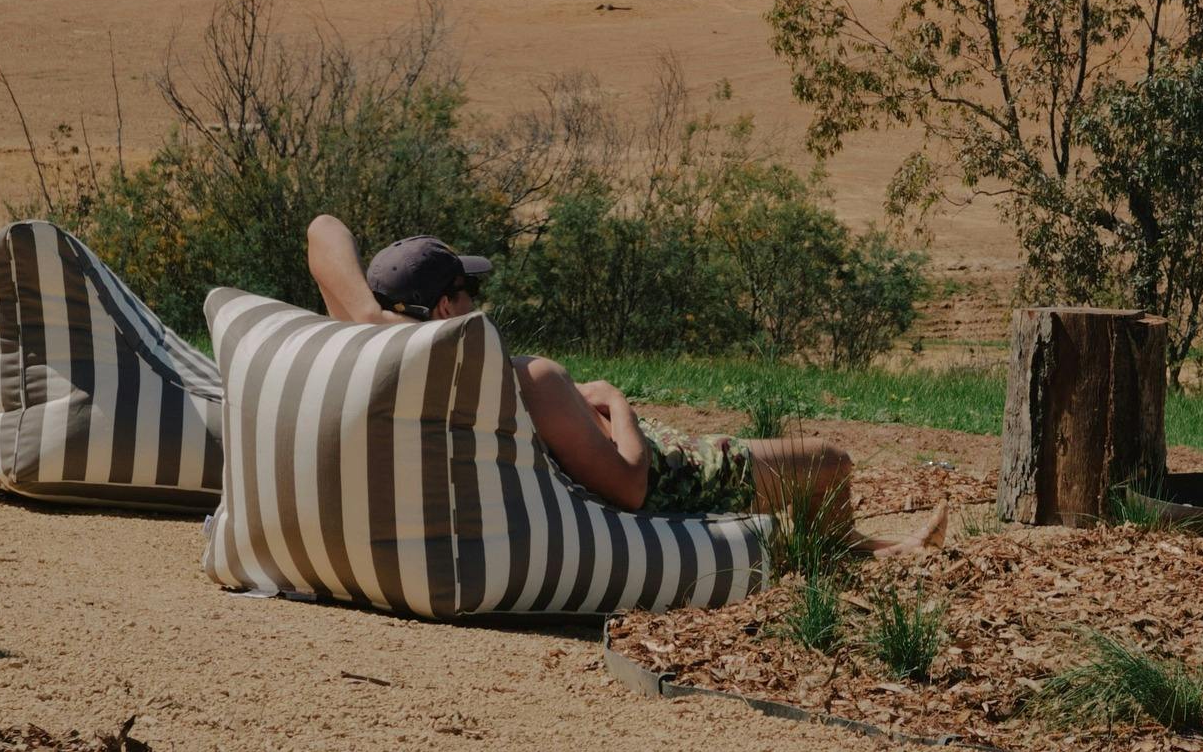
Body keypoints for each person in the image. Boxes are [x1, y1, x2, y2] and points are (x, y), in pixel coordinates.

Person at [304, 216, 943, 550]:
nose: (478, 302)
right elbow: (632, 488)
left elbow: (323, 231)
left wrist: (374, 316)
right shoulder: (533, 377)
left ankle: (875, 546)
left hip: (605, 441)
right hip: (672, 473)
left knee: (809, 469)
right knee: (831, 461)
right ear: (445, 308)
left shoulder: (386, 352)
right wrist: (615, 401)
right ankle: (863, 551)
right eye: (469, 292)